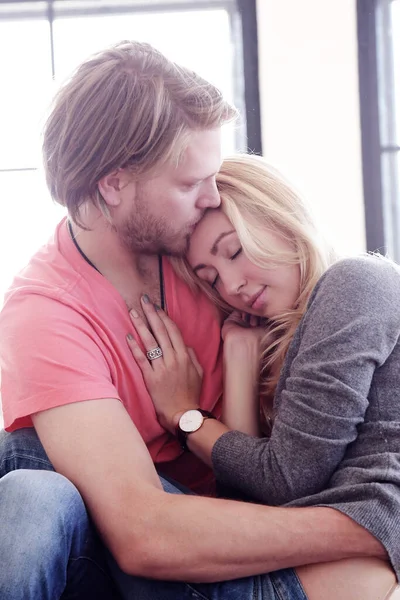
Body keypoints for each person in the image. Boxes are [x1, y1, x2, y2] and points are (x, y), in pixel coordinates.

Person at [0, 41, 395, 600]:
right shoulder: (46, 314)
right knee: (31, 480)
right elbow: (144, 533)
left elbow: (259, 480)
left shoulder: (201, 253)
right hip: (146, 541)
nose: (214, 196)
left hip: (222, 533)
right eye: (190, 184)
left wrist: (209, 391)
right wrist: (369, 527)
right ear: (113, 184)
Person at [126, 153, 400, 597]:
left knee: (100, 512)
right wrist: (239, 358)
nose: (230, 285)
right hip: (296, 570)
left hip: (335, 574)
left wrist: (185, 416)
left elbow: (286, 480)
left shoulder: (357, 282)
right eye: (211, 278)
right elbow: (248, 507)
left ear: (280, 217)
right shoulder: (285, 341)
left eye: (233, 251)